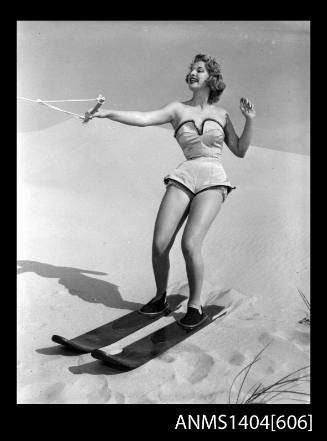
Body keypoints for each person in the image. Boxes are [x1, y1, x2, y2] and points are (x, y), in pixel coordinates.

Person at [89, 54, 255, 329]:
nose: (192, 73)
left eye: (199, 70)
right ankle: (160, 298)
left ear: (211, 77)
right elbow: (144, 118)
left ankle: (195, 306)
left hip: (212, 178)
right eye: (191, 69)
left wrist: (250, 120)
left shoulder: (222, 114)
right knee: (159, 244)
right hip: (184, 175)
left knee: (190, 244)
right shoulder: (177, 109)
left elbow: (240, 150)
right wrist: (108, 113)